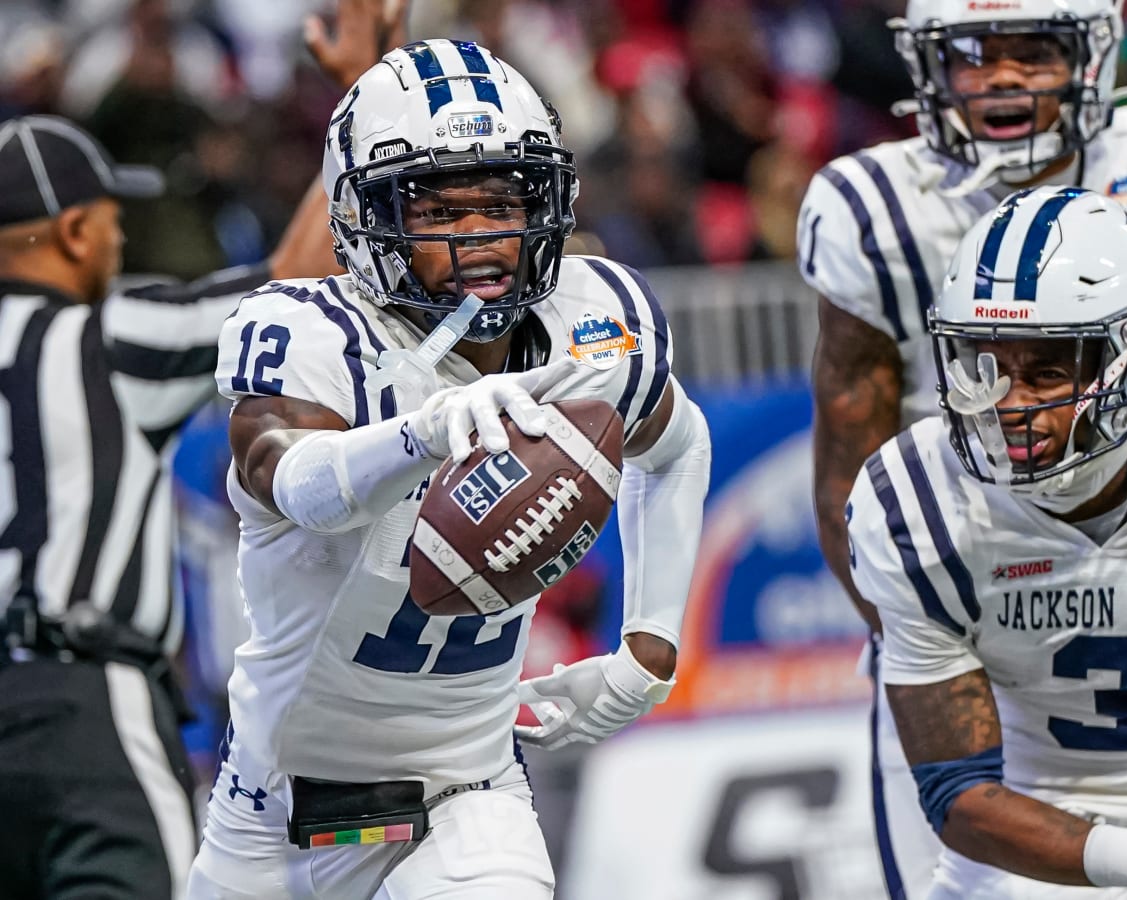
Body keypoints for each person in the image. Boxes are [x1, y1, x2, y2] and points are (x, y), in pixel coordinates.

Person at [185, 38, 711, 900]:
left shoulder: (594, 323)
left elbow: (680, 444)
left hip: (466, 792)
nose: (483, 238)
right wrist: (417, 437)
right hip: (271, 815)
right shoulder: (314, 335)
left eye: (503, 202)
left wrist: (649, 644)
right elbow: (289, 479)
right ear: (367, 220)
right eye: (441, 213)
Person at [0, 3, 405, 898]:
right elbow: (286, 297)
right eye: (110, 218)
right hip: (82, 699)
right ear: (72, 232)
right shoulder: (100, 335)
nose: (120, 237)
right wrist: (357, 98)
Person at [796, 1, 1127, 894]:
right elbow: (844, 473)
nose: (1003, 76)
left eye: (1033, 49)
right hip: (963, 549)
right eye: (974, 52)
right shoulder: (871, 210)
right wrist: (941, 623)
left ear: (1091, 53)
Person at [848, 184, 1127, 899]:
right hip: (1026, 857)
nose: (1008, 405)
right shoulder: (916, 501)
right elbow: (959, 795)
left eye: (1046, 370)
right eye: (986, 367)